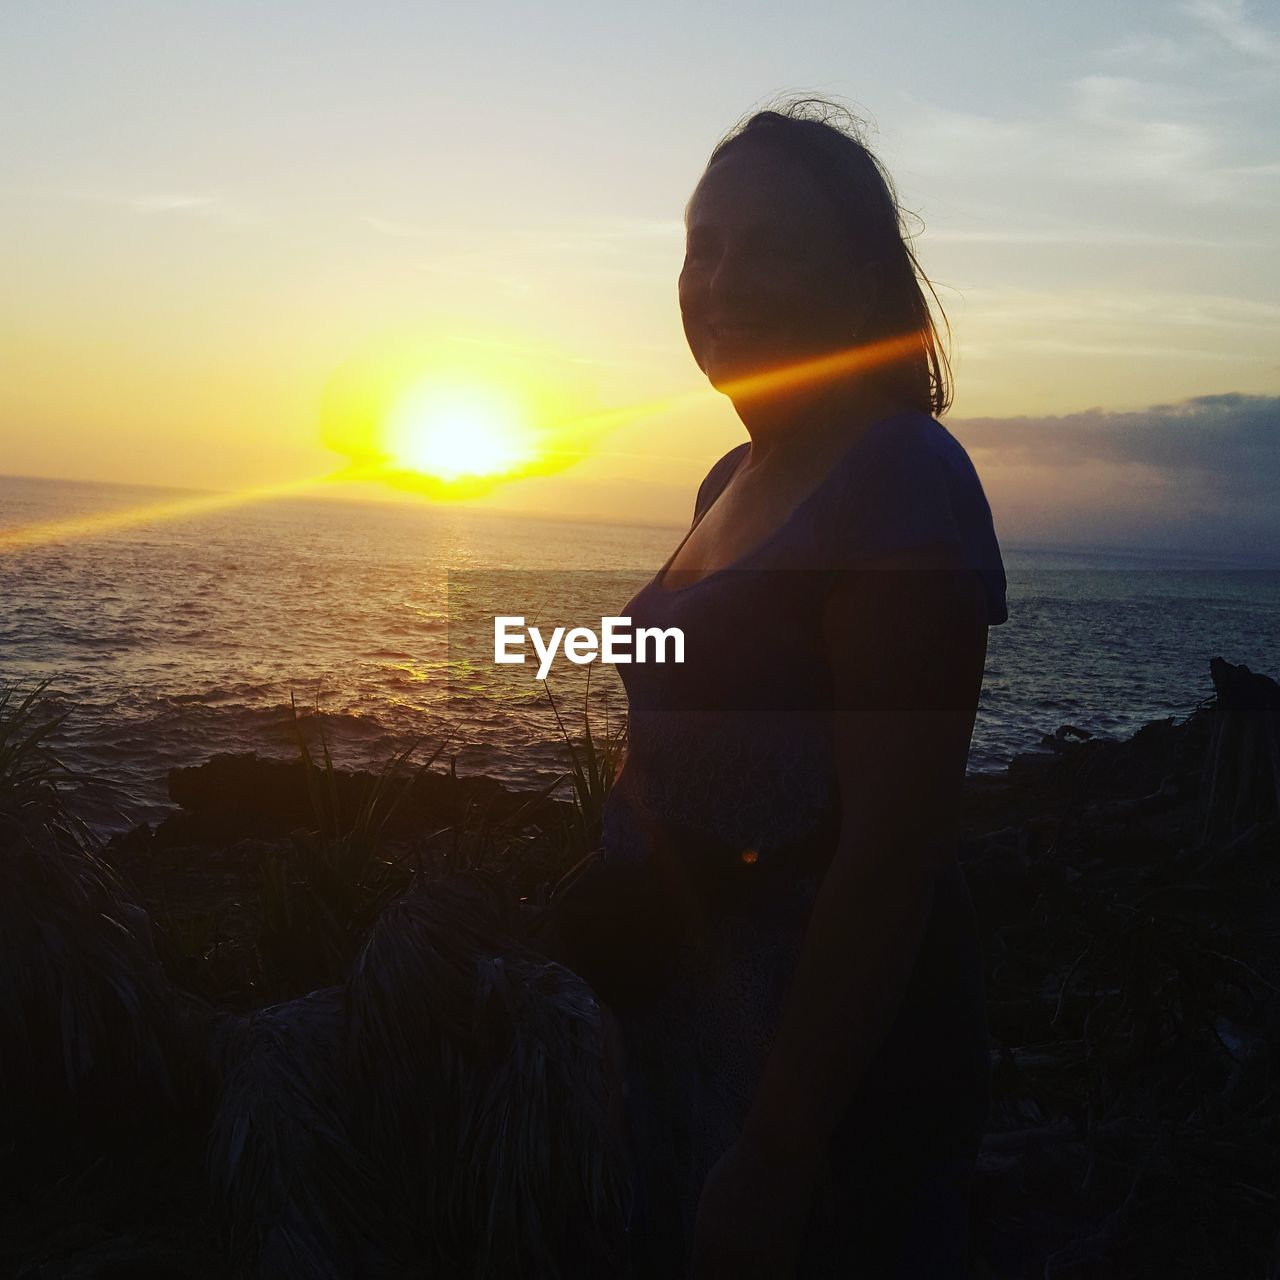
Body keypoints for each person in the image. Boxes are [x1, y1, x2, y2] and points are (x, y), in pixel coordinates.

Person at [553, 98, 1008, 1279]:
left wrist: (777, 1150)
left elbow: (890, 852)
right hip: (682, 1022)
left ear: (862, 286)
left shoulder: (898, 475)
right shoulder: (726, 476)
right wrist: (620, 866)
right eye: (701, 247)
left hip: (812, 1077)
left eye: (769, 247)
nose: (720, 279)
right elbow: (673, 711)